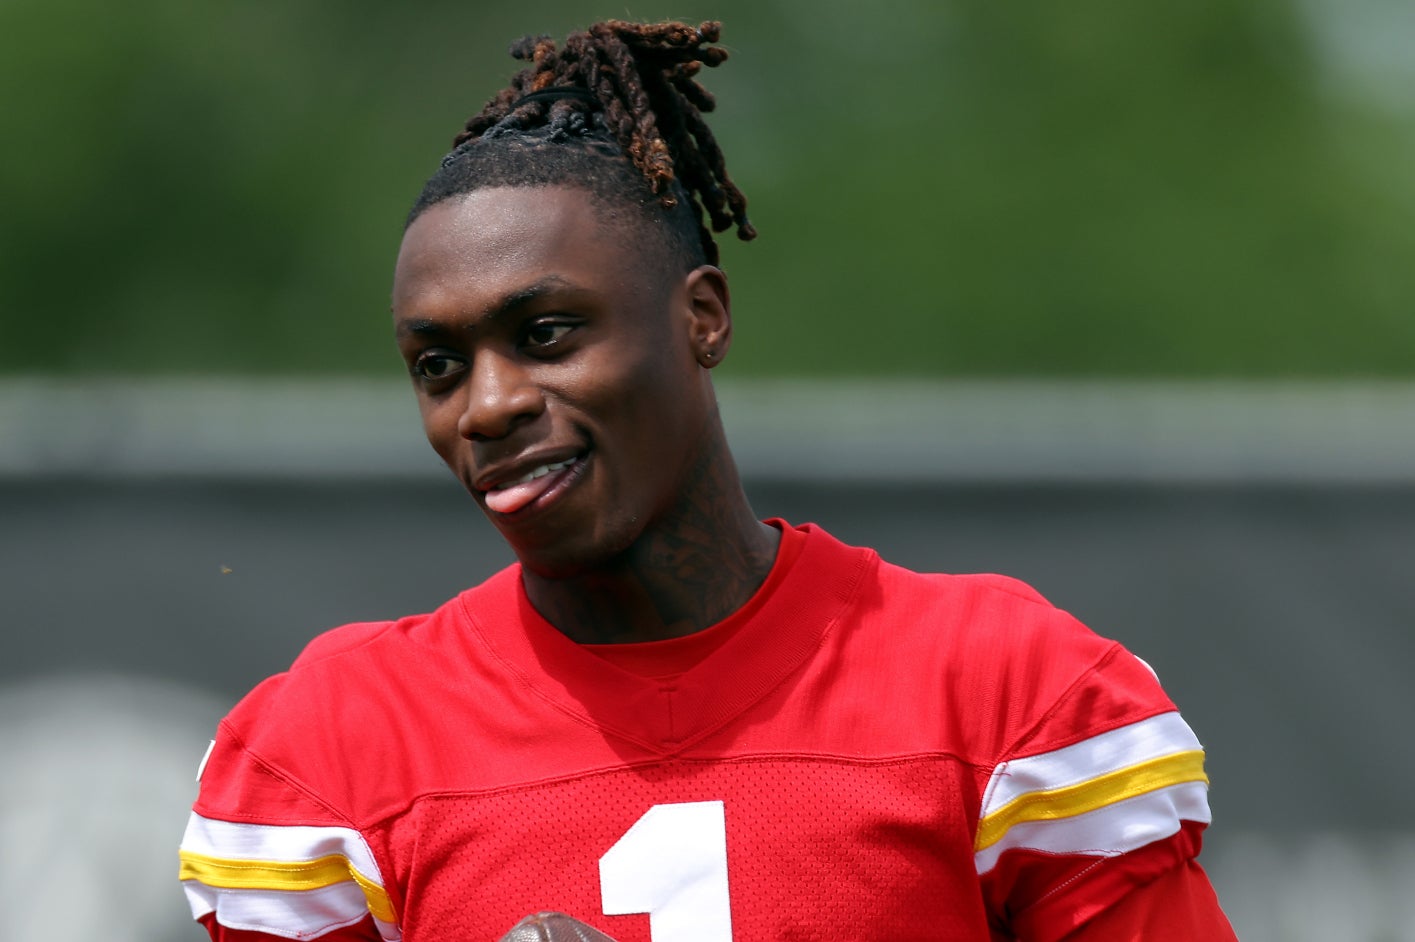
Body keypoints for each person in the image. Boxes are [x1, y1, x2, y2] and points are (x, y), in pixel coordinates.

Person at [178, 20, 1236, 941]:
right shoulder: (334, 745)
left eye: (545, 335)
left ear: (702, 317)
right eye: (437, 366)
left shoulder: (1003, 691)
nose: (487, 403)